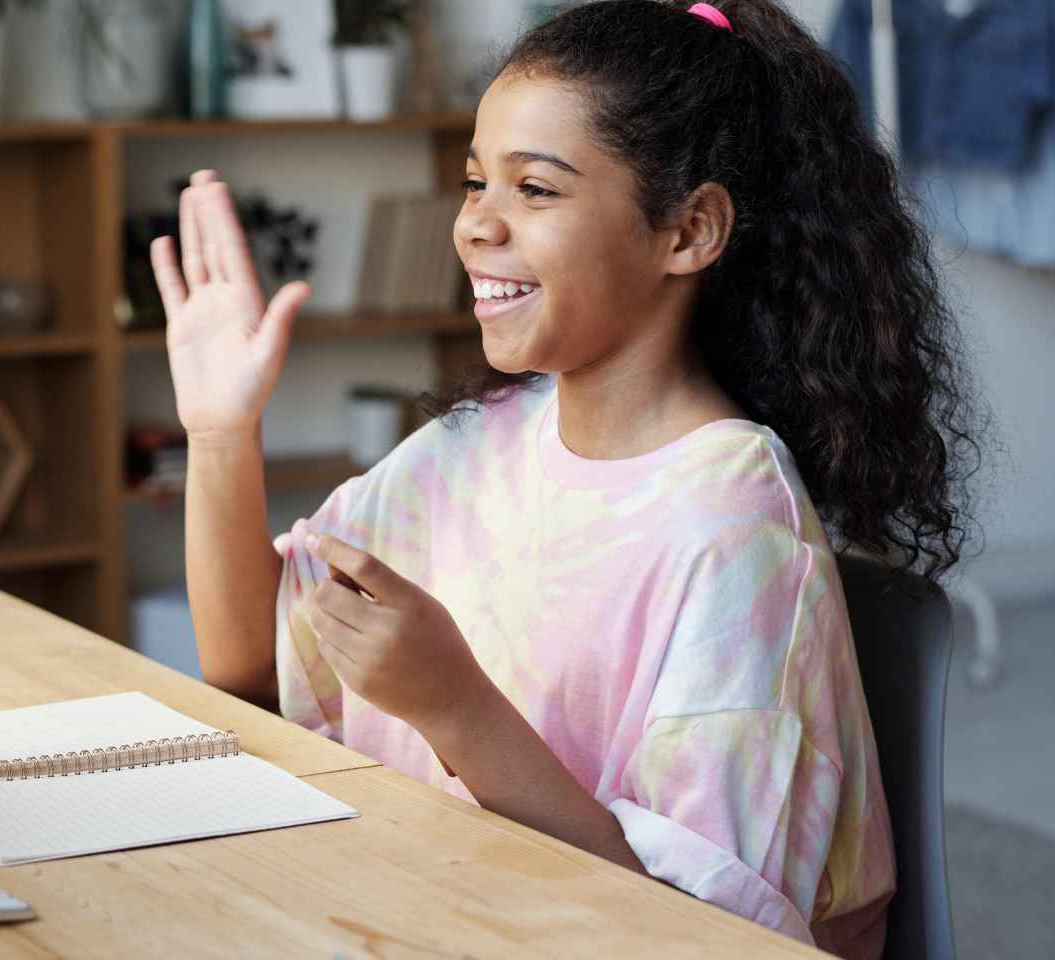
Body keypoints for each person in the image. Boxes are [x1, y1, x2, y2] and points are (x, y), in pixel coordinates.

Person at [149, 1, 986, 956]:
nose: (475, 227)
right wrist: (220, 432)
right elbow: (249, 664)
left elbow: (691, 936)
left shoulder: (739, 538)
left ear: (688, 232)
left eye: (536, 191)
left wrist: (453, 707)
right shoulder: (473, 447)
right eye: (474, 183)